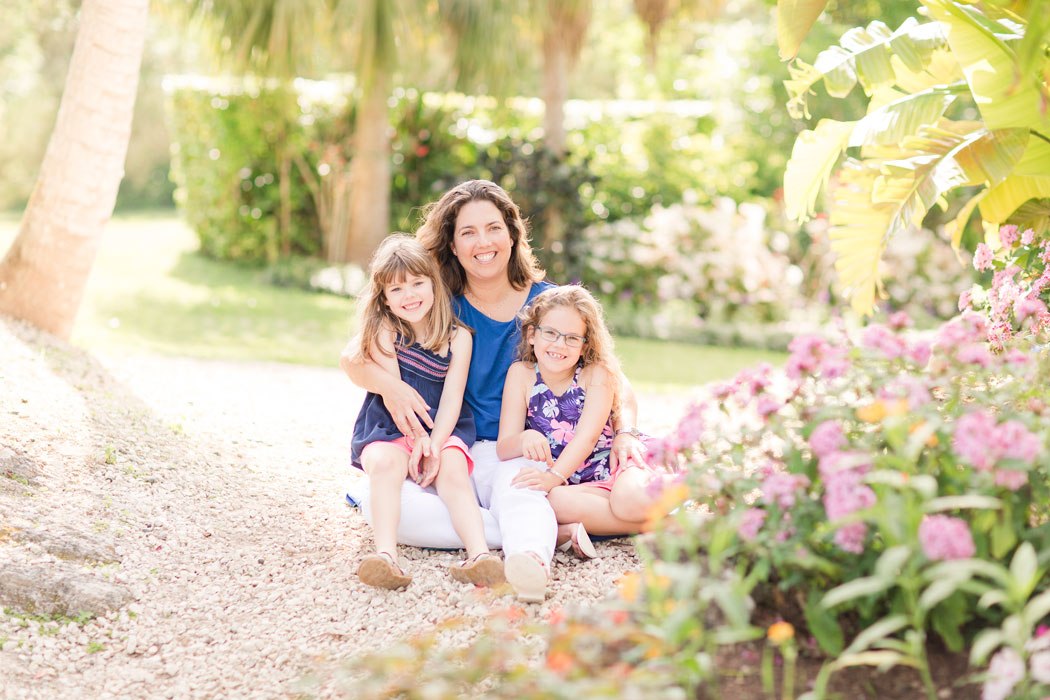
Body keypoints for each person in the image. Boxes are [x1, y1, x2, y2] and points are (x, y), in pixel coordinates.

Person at [343, 180, 648, 602]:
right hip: (452, 444)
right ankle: (550, 528)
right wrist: (390, 388)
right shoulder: (434, 303)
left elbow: (613, 379)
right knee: (394, 510)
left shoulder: (547, 304)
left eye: (493, 228)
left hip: (519, 449)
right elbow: (353, 358)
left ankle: (530, 550)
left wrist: (627, 431)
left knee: (522, 495)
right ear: (450, 244)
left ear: (512, 234)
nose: (482, 242)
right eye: (467, 232)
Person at [344, 234, 503, 590]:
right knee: (386, 466)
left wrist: (433, 443)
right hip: (390, 424)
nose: (410, 295)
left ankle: (479, 556)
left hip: (444, 427)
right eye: (397, 289)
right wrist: (415, 440)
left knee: (453, 472)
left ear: (434, 282)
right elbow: (393, 395)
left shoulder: (458, 337)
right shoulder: (385, 330)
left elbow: (451, 398)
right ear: (383, 297)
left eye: (417, 283)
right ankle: (387, 556)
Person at [497, 285, 670, 556]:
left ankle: (695, 485)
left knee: (626, 501)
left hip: (615, 464)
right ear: (532, 334)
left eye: (571, 338)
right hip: (578, 481)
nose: (559, 345)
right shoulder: (520, 375)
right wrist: (524, 438)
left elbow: (587, 438)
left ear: (585, 344)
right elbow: (504, 446)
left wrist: (552, 476)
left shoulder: (595, 374)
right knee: (554, 502)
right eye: (550, 333)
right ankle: (662, 523)